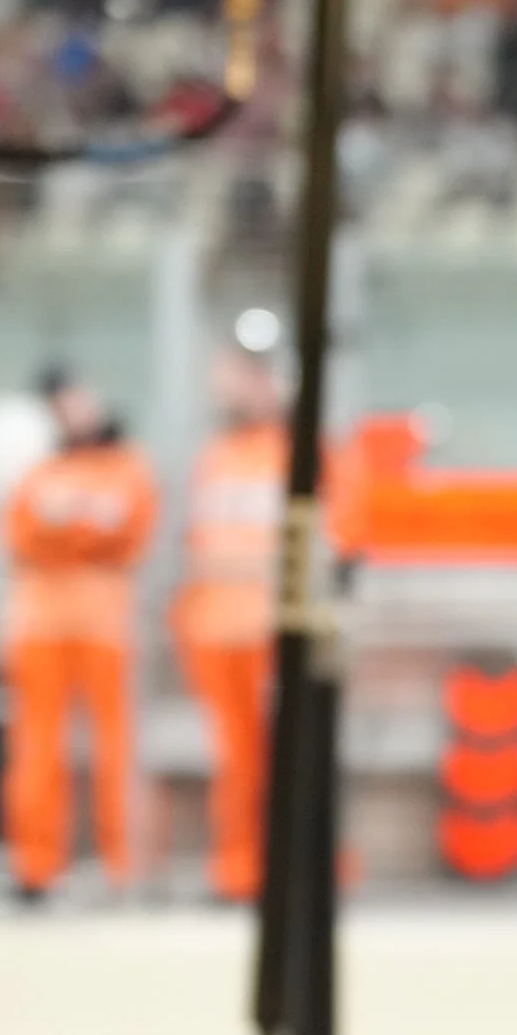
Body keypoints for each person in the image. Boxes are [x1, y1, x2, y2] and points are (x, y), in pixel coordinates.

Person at [0, 366, 159, 896]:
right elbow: (20, 535)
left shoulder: (126, 466)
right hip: (40, 621)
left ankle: (124, 867)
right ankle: (36, 867)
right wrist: (75, 534)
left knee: (116, 748)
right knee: (37, 749)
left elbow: (125, 532)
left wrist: (66, 533)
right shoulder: (36, 470)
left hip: (105, 621)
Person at [171, 339, 288, 901]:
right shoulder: (213, 458)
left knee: (277, 763)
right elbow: (194, 549)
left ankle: (280, 869)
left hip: (271, 633)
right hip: (216, 633)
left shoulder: (297, 454)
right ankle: (238, 870)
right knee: (234, 765)